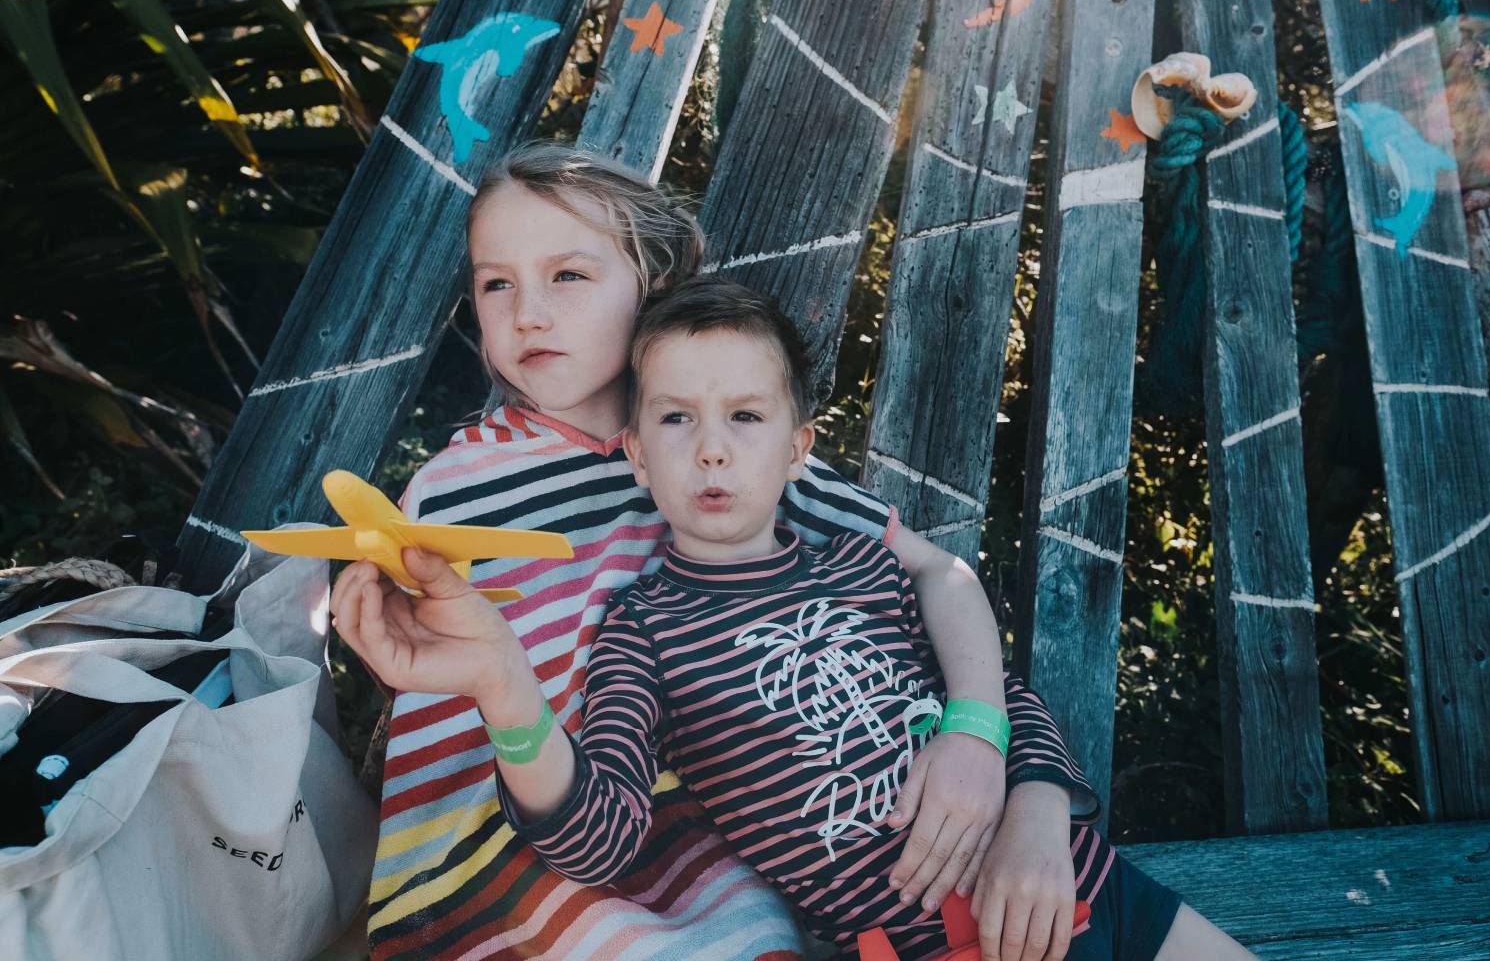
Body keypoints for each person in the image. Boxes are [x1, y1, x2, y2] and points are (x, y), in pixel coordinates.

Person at [342, 143, 1110, 961]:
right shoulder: (456, 489)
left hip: (705, 872)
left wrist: (978, 731)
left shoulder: (727, 446)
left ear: (651, 283)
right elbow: (444, 708)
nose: (527, 312)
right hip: (514, 849)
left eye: (567, 275)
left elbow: (931, 573)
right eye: (497, 283)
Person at [402, 278, 1252, 960]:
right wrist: (503, 689)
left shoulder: (857, 563)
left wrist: (1032, 806)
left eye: (745, 415)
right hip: (935, 945)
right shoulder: (645, 631)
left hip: (1087, 880)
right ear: (635, 454)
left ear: (797, 447)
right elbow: (601, 839)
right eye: (674, 418)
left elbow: (997, 691)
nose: (711, 448)